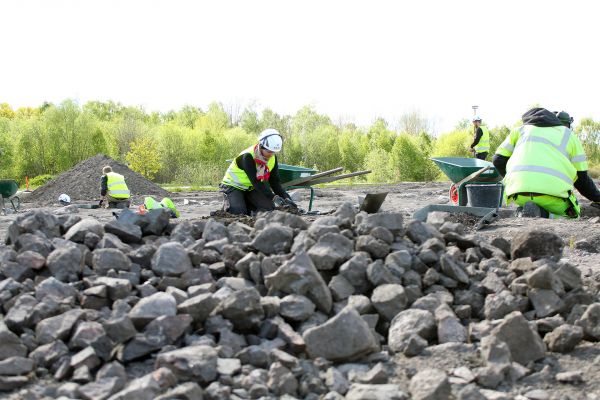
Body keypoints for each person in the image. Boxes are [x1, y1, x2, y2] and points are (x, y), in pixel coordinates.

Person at [492, 107, 600, 218]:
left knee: (527, 202)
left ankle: (523, 212)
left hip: (518, 193)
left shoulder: (519, 130)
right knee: (573, 215)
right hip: (553, 196)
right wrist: (598, 197)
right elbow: (581, 179)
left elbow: (497, 160)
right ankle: (546, 215)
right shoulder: (568, 135)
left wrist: (512, 179)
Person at [220, 128, 296, 215]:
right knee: (238, 212)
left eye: (274, 152)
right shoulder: (247, 157)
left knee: (269, 208)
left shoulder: (273, 158)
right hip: (232, 186)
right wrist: (274, 197)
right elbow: (256, 182)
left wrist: (286, 197)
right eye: (269, 151)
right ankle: (231, 203)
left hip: (250, 188)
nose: (271, 155)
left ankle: (245, 204)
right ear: (261, 146)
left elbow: (275, 182)